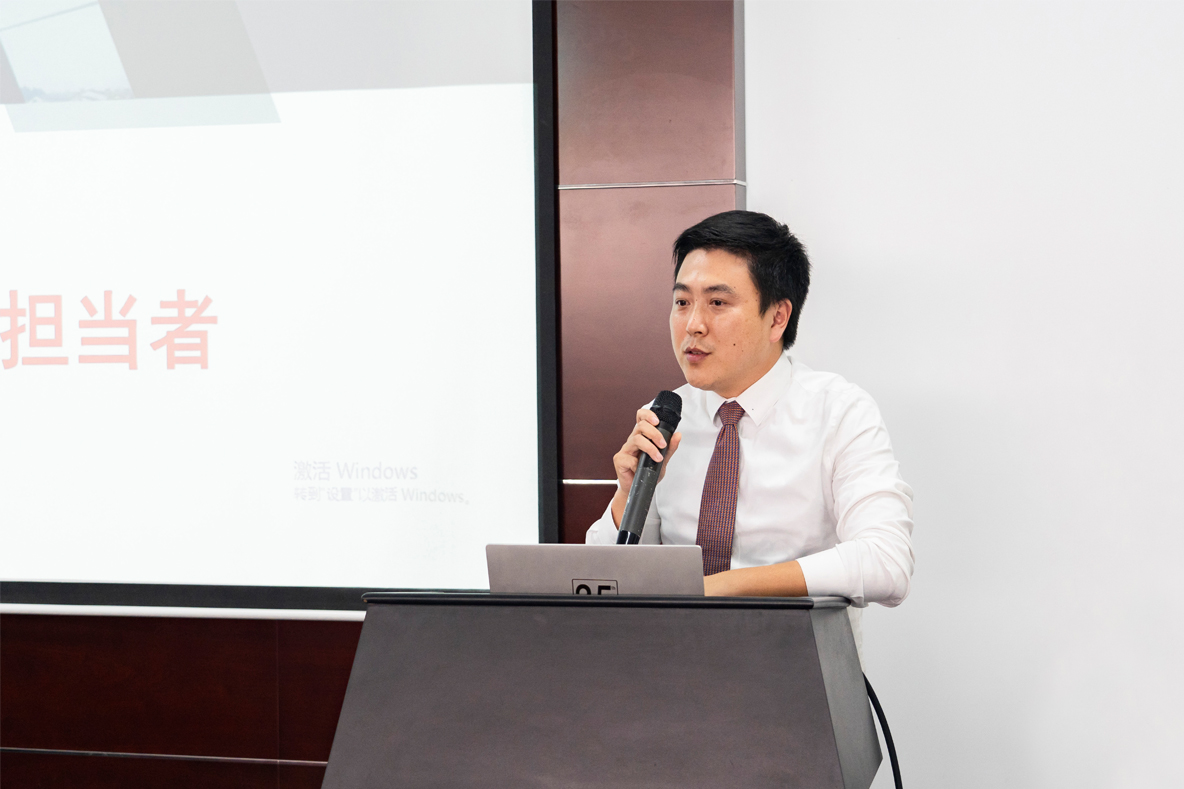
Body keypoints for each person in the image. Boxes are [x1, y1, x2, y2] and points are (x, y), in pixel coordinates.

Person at [586, 210, 915, 632]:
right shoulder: (666, 415)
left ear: (777, 317)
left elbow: (886, 563)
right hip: (670, 659)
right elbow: (606, 583)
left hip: (793, 663)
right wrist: (627, 495)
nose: (693, 325)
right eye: (682, 302)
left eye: (717, 303)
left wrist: (721, 588)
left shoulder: (838, 412)